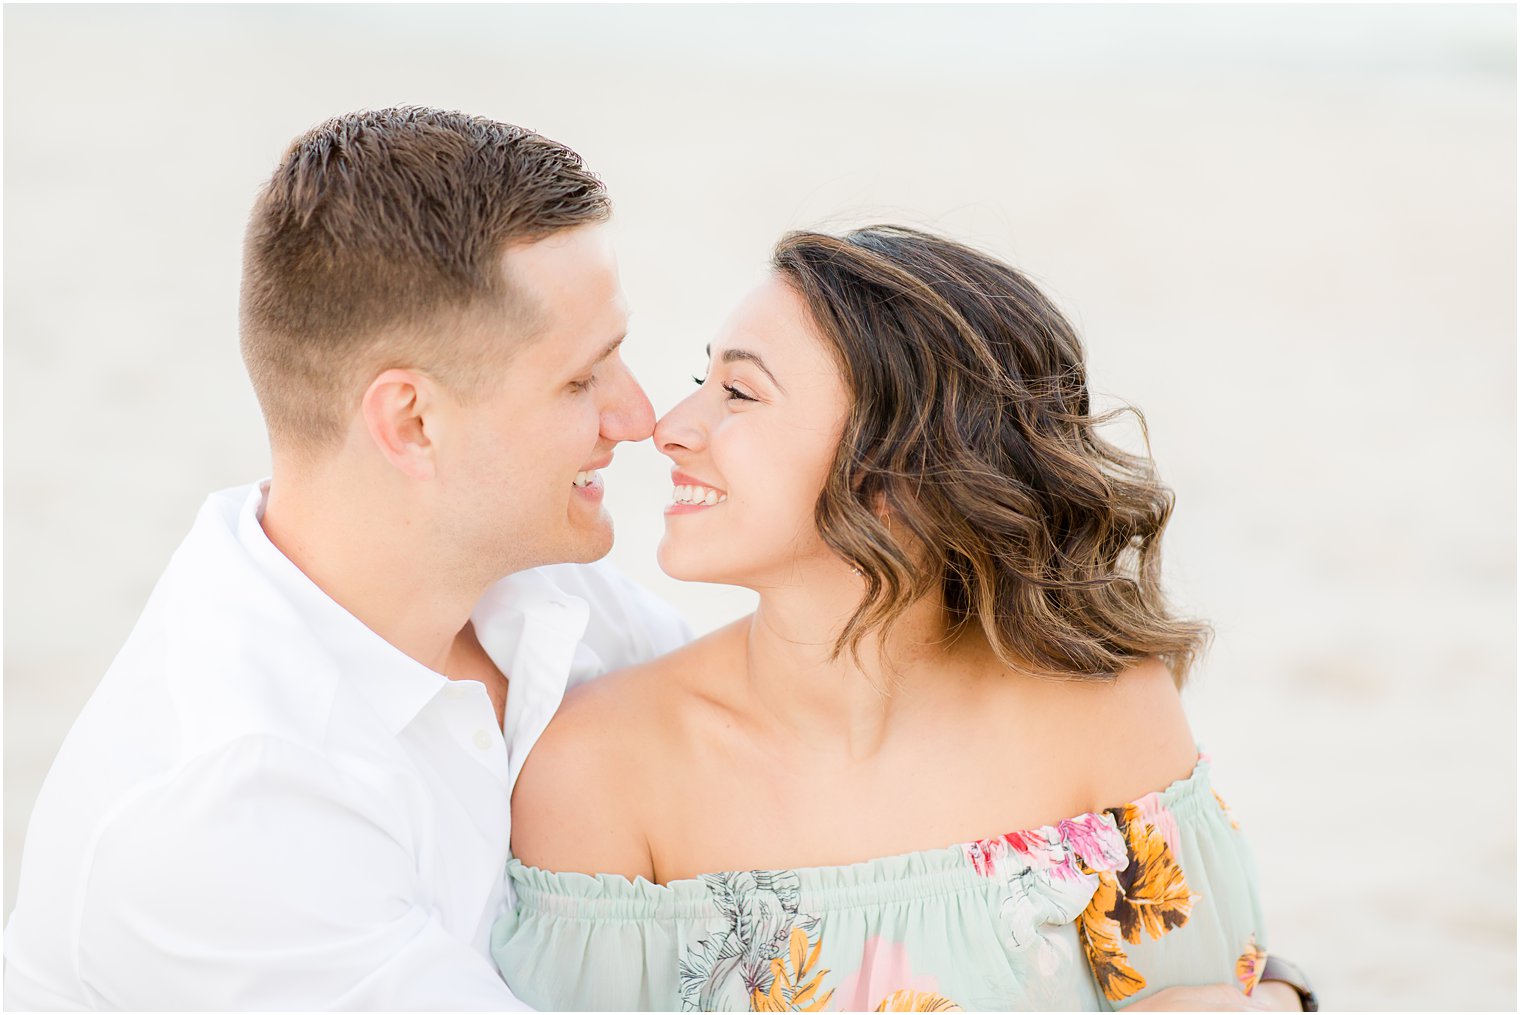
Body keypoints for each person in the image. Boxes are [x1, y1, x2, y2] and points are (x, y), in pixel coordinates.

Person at [494, 226, 1314, 1011]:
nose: (669, 427)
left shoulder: (1102, 709)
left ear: (905, 469)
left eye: (738, 393)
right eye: (704, 378)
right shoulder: (601, 772)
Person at [2, 107, 690, 1010]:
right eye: (581, 378)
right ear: (410, 422)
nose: (639, 418)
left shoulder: (544, 589)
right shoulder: (230, 808)